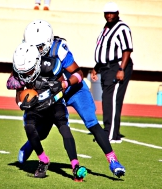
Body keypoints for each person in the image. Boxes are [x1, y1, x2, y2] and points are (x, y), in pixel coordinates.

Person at [7, 19, 125, 178]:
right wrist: (22, 98)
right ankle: (30, 145)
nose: (35, 49)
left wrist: (65, 83)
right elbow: (17, 82)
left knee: (91, 122)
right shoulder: (27, 50)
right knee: (42, 127)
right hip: (50, 90)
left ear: (47, 42)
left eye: (39, 46)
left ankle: (113, 160)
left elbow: (79, 73)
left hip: (73, 89)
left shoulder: (58, 49)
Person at [12, 42, 87, 181]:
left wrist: (52, 95)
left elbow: (62, 88)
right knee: (28, 126)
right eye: (23, 72)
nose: (25, 75)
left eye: (28, 71)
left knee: (64, 129)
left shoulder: (51, 65)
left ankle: (75, 165)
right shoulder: (19, 70)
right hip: (36, 107)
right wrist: (23, 104)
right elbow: (18, 96)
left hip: (54, 102)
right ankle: (43, 160)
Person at [91, 2, 133, 143]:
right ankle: (109, 131)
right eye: (107, 13)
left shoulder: (122, 28)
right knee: (107, 99)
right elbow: (104, 51)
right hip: (105, 68)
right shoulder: (106, 28)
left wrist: (121, 69)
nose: (109, 15)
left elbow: (127, 50)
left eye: (112, 13)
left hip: (117, 67)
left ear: (117, 13)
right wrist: (96, 68)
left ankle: (111, 135)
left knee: (112, 100)